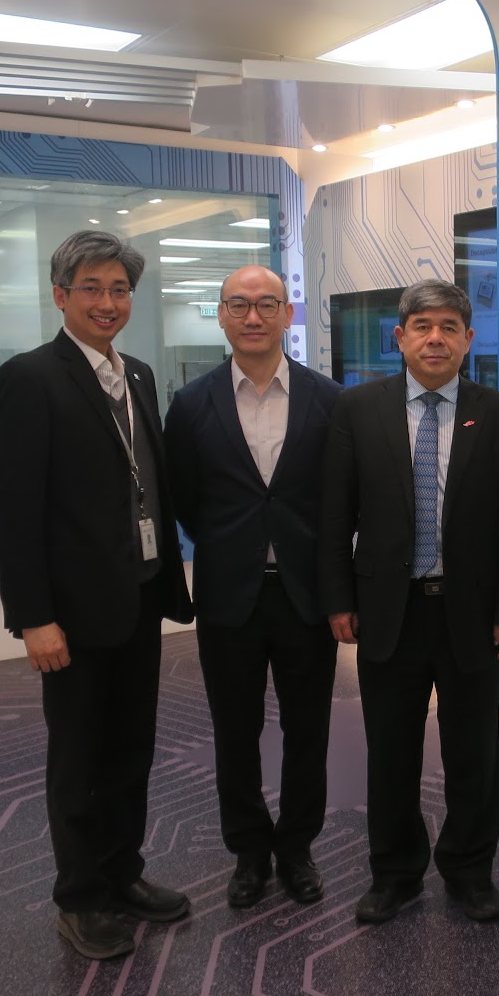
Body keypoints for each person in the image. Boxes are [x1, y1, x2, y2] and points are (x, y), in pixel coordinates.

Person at [0, 230, 194, 961]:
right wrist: (34, 618)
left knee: (130, 749)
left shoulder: (137, 374)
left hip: (137, 596)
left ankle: (122, 873)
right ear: (60, 295)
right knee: (78, 758)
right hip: (71, 614)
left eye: (119, 289)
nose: (108, 302)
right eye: (92, 288)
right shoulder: (30, 378)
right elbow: (14, 510)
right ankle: (79, 899)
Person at [319, 278, 499, 925]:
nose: (435, 338)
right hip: (389, 610)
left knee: (473, 751)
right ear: (400, 337)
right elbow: (335, 515)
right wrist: (338, 598)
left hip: (472, 612)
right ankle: (395, 874)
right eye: (422, 326)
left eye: (448, 327)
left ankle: (469, 871)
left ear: (468, 338)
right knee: (390, 751)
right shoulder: (358, 409)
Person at [164, 265, 341, 910]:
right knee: (233, 731)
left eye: (267, 304)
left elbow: (339, 499)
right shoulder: (191, 405)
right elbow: (185, 498)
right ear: (221, 315)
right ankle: (248, 851)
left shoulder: (329, 400)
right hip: (229, 595)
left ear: (288, 314)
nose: (253, 316)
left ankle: (296, 848)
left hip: (306, 596)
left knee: (308, 730)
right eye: (238, 305)